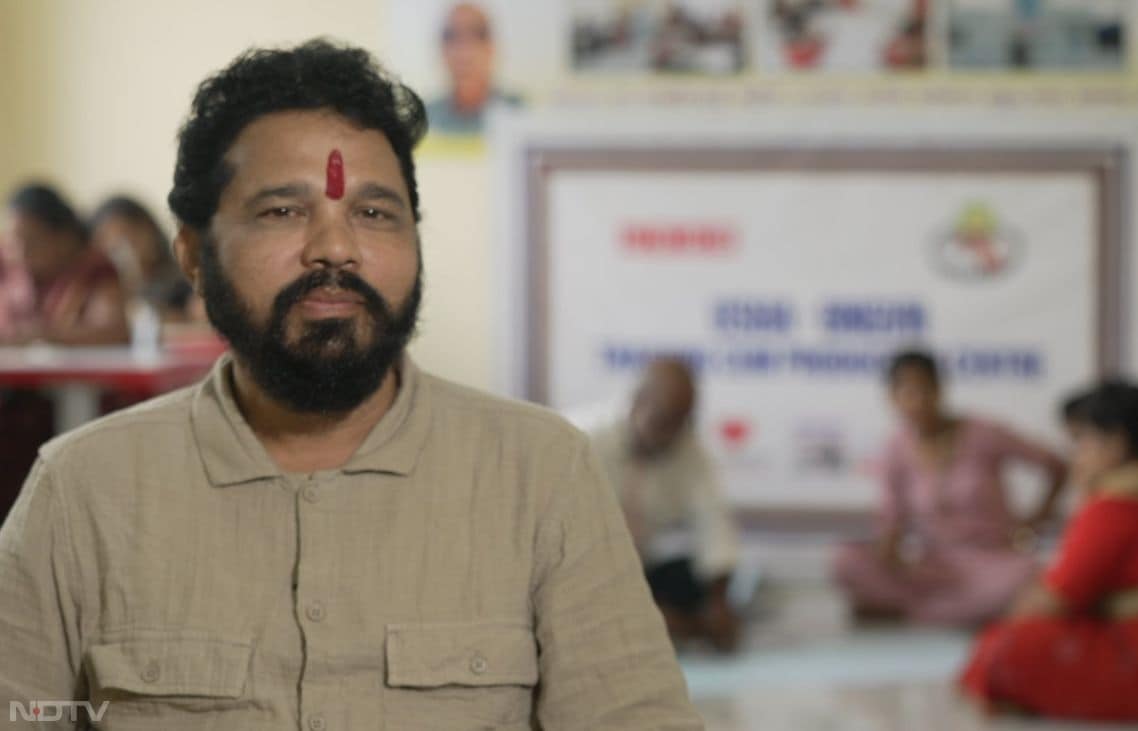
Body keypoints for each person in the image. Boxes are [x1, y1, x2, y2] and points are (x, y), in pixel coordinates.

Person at [0, 40, 702, 730]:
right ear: (193, 254)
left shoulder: (542, 475)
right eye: (283, 210)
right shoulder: (81, 494)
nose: (336, 247)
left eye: (373, 213)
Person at [833, 350, 1068, 626]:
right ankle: (947, 610)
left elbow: (1056, 466)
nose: (917, 401)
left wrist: (1035, 521)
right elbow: (892, 521)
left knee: (1028, 576)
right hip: (936, 566)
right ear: (892, 398)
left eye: (924, 389)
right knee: (846, 560)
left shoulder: (983, 432)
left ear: (940, 389)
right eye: (907, 392)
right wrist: (888, 551)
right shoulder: (895, 447)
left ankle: (919, 612)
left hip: (994, 563)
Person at [960, 381, 1138, 722]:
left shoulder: (1114, 506)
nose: (1077, 455)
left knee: (1007, 648)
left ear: (1115, 444)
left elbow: (1057, 598)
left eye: (1083, 441)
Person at [586, 358, 742, 652]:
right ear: (636, 402)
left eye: (680, 421)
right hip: (588, 572)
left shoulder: (689, 450)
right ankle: (660, 623)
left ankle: (663, 622)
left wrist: (719, 605)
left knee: (690, 578)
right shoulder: (583, 440)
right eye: (663, 419)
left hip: (643, 569)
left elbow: (715, 525)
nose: (670, 432)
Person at [0, 184, 129, 345]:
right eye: (12, 241)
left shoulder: (94, 268)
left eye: (32, 242)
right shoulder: (5, 264)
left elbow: (114, 331)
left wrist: (39, 336)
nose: (20, 252)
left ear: (65, 239)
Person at [89, 195, 199, 322]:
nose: (121, 249)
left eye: (128, 234)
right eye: (108, 240)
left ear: (150, 229)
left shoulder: (185, 280)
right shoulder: (102, 292)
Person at [425, 3, 521, 136]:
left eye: (478, 35)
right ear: (442, 50)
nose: (464, 51)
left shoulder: (519, 114)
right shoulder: (425, 120)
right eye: (452, 36)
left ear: (491, 48)